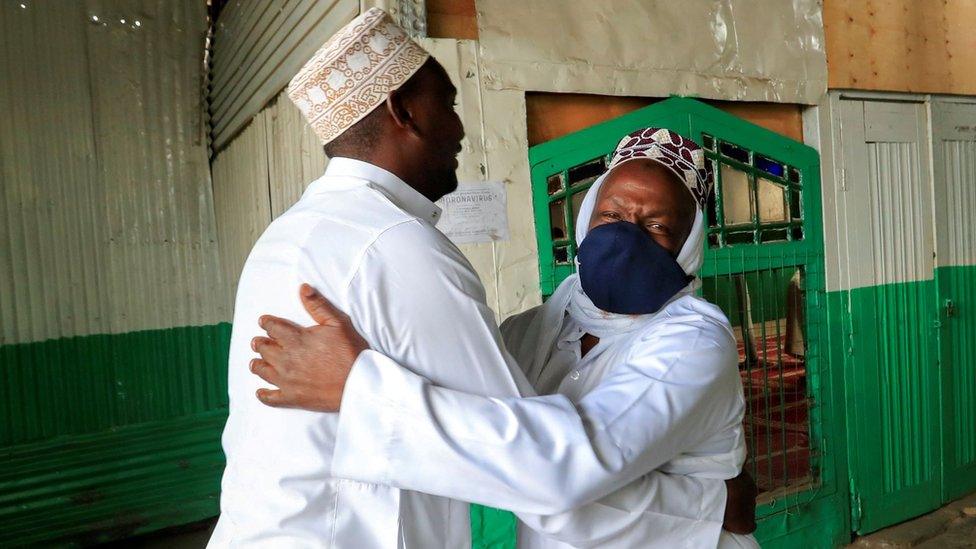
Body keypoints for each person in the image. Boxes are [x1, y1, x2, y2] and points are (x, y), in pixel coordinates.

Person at [209, 8, 753, 548]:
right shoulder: (428, 263)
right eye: (447, 103)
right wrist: (706, 505)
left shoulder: (285, 235)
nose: (462, 126)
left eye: (657, 225)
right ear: (404, 111)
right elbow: (540, 474)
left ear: (689, 242)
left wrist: (356, 390)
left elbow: (544, 471)